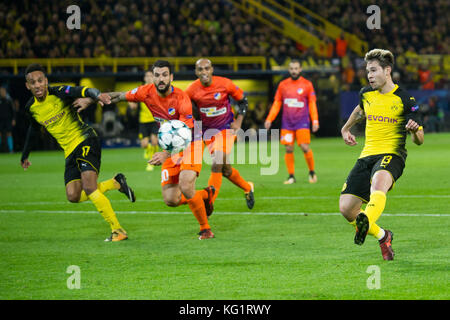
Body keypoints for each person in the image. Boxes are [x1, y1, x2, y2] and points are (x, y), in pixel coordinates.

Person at [79, 60, 215, 240]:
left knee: (186, 184)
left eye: (165, 75)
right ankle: (206, 194)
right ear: (153, 77)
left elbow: (186, 133)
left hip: (191, 141)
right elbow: (119, 96)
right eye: (157, 75)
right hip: (169, 145)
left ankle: (205, 229)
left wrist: (165, 154)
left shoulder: (182, 99)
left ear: (171, 77)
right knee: (171, 199)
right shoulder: (146, 92)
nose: (161, 79)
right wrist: (94, 98)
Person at [20, 64, 136, 242]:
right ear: (27, 86)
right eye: (32, 82)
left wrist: (97, 95)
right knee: (73, 195)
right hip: (69, 151)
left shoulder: (58, 92)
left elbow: (83, 90)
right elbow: (33, 129)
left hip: (85, 140)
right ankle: (115, 183)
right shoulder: (31, 108)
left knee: (89, 187)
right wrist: (25, 154)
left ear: (46, 81)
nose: (37, 85)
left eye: (40, 81)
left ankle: (117, 230)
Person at [340, 49, 424, 260]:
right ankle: (383, 235)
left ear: (387, 71)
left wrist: (415, 132)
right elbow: (360, 111)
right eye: (367, 71)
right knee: (347, 209)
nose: (369, 75)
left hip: (393, 154)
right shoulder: (366, 94)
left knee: (378, 183)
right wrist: (346, 128)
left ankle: (366, 220)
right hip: (367, 154)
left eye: (373, 70)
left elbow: (419, 139)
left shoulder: (405, 98)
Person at [185, 58, 254, 209]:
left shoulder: (225, 83)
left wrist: (239, 122)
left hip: (226, 129)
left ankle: (210, 202)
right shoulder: (191, 90)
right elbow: (186, 110)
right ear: (196, 72)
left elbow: (244, 101)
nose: (204, 72)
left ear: (212, 69)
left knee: (216, 164)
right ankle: (248, 187)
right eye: (200, 69)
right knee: (225, 169)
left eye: (207, 68)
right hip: (208, 133)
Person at [264, 59, 319, 184]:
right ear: (289, 70)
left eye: (296, 68)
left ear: (300, 69)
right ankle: (291, 176)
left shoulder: (307, 84)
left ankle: (312, 172)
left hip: (302, 122)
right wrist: (269, 119)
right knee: (288, 148)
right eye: (292, 69)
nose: (294, 71)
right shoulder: (283, 85)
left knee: (305, 147)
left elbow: (312, 103)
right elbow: (277, 103)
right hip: (287, 123)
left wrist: (315, 120)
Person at [128, 71, 159, 171]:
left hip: (155, 120)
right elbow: (132, 101)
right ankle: (149, 150)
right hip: (143, 120)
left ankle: (151, 162)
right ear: (144, 78)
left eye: (151, 76)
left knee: (154, 141)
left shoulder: (157, 89)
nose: (149, 78)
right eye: (147, 76)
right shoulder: (140, 90)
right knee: (144, 144)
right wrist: (132, 104)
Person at [0, 87, 15, 153]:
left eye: (3, 91)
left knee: (9, 133)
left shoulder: (9, 100)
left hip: (8, 119)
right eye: (1, 91)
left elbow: (13, 111)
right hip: (0, 120)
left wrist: (13, 119)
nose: (2, 93)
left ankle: (11, 149)